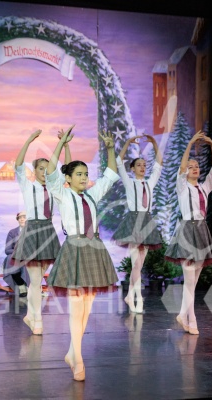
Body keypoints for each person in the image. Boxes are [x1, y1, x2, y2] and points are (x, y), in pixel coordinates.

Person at [45, 127, 120, 381]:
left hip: (94, 249)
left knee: (87, 307)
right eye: (78, 174)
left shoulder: (92, 195)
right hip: (75, 249)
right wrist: (61, 145)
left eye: (86, 174)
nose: (84, 177)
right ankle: (77, 357)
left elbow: (111, 175)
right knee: (77, 307)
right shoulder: (62, 193)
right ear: (68, 178)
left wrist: (110, 149)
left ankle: (72, 352)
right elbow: (51, 171)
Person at [13, 129, 69, 335]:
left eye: (47, 169)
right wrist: (29, 140)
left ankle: (31, 315)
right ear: (34, 171)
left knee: (37, 281)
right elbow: (18, 165)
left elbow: (66, 169)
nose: (45, 172)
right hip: (32, 231)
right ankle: (37, 319)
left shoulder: (54, 187)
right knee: (35, 280)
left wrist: (64, 144)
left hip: (47, 231)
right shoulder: (28, 186)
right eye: (41, 169)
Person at [165, 130, 212, 336]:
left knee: (194, 280)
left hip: (201, 230)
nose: (194, 168)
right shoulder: (182, 186)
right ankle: (190, 318)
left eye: (196, 166)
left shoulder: (204, 188)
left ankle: (185, 316)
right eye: (191, 167)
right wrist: (190, 143)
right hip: (187, 229)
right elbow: (181, 168)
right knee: (189, 279)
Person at [113, 134, 163, 313]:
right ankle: (138, 299)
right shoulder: (130, 182)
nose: (142, 167)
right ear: (132, 168)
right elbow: (118, 162)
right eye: (139, 165)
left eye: (144, 165)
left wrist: (155, 144)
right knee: (136, 264)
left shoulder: (149, 183)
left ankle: (129, 296)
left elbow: (159, 165)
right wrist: (127, 142)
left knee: (140, 264)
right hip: (134, 221)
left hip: (146, 221)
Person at [2, 211, 30, 296]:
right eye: (19, 218)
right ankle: (21, 286)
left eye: (24, 217)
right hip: (15, 256)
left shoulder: (33, 231)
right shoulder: (12, 232)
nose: (22, 219)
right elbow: (7, 250)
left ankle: (29, 287)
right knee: (9, 258)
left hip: (28, 256)